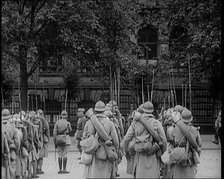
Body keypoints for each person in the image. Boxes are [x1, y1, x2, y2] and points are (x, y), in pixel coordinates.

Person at [121, 101, 167, 178]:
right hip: (153, 156)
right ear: (152, 110)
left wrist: (127, 152)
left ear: (143, 110)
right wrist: (161, 153)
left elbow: (126, 139)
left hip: (139, 156)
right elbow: (164, 141)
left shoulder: (135, 123)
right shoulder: (157, 123)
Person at [82, 100, 119, 178]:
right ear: (104, 110)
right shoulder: (109, 122)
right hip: (106, 152)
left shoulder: (89, 122)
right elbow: (116, 140)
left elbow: (84, 138)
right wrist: (116, 151)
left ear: (95, 110)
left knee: (92, 174)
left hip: (92, 152)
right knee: (105, 174)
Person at [170, 108, 202, 178]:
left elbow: (171, 139)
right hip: (189, 159)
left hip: (178, 157)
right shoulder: (195, 130)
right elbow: (199, 144)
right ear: (191, 118)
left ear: (181, 118)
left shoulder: (175, 129)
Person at [2, 109, 20, 179]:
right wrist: (16, 151)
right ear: (9, 117)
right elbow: (17, 142)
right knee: (11, 172)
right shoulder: (13, 128)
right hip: (10, 153)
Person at [37, 109, 50, 174]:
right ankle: (40, 169)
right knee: (41, 155)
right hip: (42, 138)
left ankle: (36, 168)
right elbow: (47, 130)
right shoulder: (44, 121)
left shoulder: (33, 120)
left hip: (35, 139)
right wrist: (48, 138)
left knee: (36, 154)